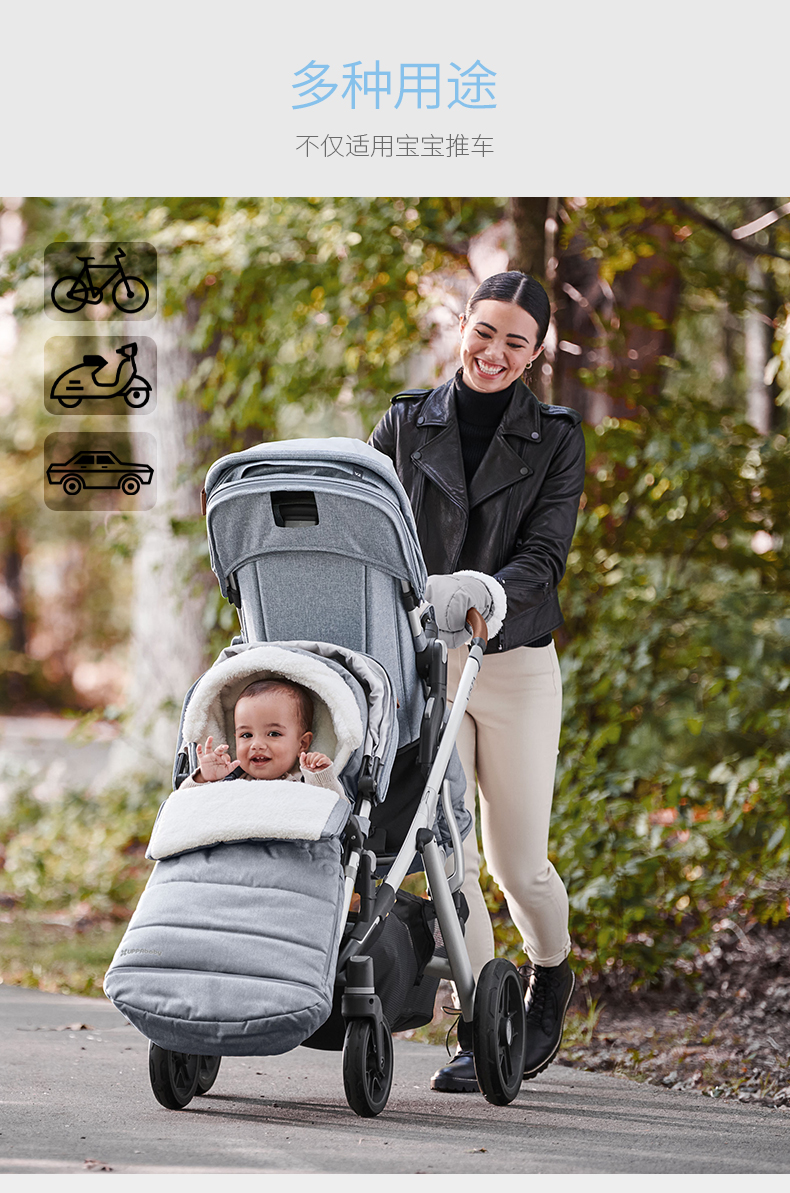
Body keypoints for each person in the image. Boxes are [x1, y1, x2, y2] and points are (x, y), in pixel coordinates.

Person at [368, 270, 586, 1092]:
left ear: (536, 354)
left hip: (515, 662)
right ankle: (482, 1024)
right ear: (462, 326)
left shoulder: (556, 438)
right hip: (430, 664)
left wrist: (487, 592)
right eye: (484, 331)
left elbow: (545, 555)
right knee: (449, 855)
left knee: (517, 862)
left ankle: (550, 974)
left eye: (514, 342)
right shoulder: (404, 423)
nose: (494, 352)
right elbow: (370, 527)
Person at [181, 678, 345, 797]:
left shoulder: (307, 782)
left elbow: (338, 814)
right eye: (246, 735)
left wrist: (321, 776)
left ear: (302, 743)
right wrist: (204, 777)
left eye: (273, 734)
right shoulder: (228, 780)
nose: (257, 745)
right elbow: (184, 808)